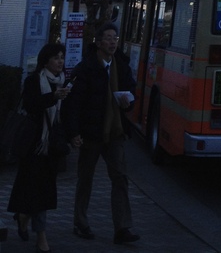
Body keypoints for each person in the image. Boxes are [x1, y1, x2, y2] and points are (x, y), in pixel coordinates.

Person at [62, 21, 139, 245]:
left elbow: (130, 91)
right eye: (108, 38)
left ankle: (122, 228)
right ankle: (80, 222)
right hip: (90, 132)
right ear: (98, 42)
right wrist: (73, 132)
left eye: (115, 37)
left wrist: (128, 103)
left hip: (114, 131)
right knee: (85, 178)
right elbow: (74, 103)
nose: (113, 41)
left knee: (120, 178)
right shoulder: (86, 67)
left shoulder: (121, 65)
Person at [7, 41, 71, 253]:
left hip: (51, 146)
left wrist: (73, 136)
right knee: (35, 189)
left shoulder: (64, 82)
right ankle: (39, 234)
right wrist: (52, 97)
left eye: (62, 57)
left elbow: (66, 116)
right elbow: (31, 105)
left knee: (42, 190)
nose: (60, 62)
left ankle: (25, 217)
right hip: (33, 144)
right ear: (46, 60)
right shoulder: (35, 80)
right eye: (55, 58)